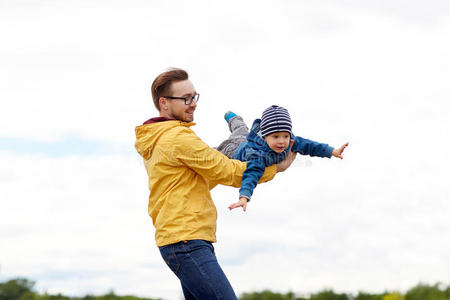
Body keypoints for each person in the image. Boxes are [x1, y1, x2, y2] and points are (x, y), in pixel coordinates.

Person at [134, 68, 296, 300]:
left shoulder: (161, 137)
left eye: (194, 96)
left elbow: (204, 177)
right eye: (186, 99)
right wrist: (273, 168)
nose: (193, 104)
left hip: (184, 239)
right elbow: (225, 171)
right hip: (186, 241)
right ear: (164, 103)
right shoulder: (177, 138)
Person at [216, 105, 348, 211]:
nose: (282, 141)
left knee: (242, 130)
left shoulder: (290, 142)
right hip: (233, 150)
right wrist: (244, 197)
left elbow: (311, 146)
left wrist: (332, 151)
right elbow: (251, 174)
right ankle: (232, 118)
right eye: (276, 137)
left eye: (285, 136)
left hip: (248, 139)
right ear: (265, 136)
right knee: (231, 138)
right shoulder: (258, 155)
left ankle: (234, 119)